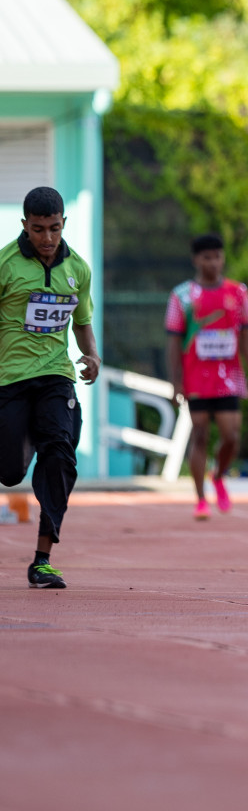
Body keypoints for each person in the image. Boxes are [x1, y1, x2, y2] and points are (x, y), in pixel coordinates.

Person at [0, 187, 101, 588]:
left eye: (54, 228)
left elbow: (82, 320)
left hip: (56, 376)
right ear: (24, 225)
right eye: (38, 229)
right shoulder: (5, 265)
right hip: (10, 379)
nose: (47, 238)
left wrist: (92, 355)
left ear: (64, 224)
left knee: (60, 455)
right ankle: (21, 442)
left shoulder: (78, 268)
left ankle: (42, 559)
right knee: (9, 473)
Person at [165, 233, 248, 520]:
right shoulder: (181, 295)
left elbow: (247, 335)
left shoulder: (238, 292)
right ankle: (200, 499)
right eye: (207, 257)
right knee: (201, 434)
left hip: (229, 376)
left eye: (217, 256)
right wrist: (175, 381)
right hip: (196, 377)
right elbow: (173, 340)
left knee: (231, 436)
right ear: (196, 259)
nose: (213, 262)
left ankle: (218, 474)